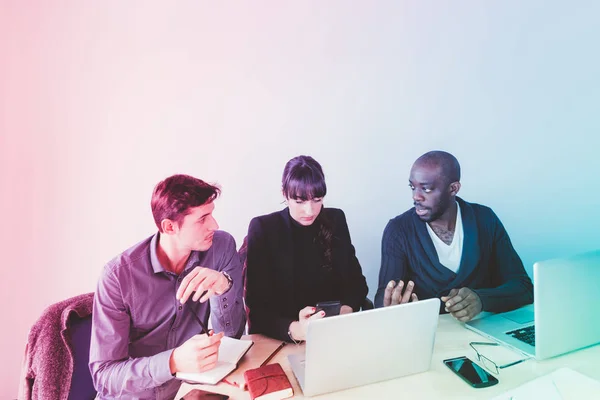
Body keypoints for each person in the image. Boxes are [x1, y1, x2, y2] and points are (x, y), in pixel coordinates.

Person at [89, 174, 245, 399]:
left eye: (212, 214)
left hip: (192, 390)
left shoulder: (221, 247)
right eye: (202, 219)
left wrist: (224, 287)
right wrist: (173, 361)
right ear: (169, 227)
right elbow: (105, 377)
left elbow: (231, 336)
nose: (215, 224)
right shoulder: (117, 277)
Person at [375, 151, 533, 322]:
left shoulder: (485, 219)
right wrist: (388, 307)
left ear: (453, 188)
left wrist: (482, 299)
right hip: (431, 336)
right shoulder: (399, 230)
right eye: (413, 187)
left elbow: (523, 287)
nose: (416, 196)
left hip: (485, 332)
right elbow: (383, 297)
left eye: (426, 189)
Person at [245, 155, 368, 343]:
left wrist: (346, 310)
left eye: (317, 199)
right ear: (284, 194)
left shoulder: (335, 220)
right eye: (300, 201)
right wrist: (295, 329)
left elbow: (357, 283)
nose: (310, 211)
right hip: (284, 341)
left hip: (334, 335)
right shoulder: (264, 229)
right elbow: (257, 309)